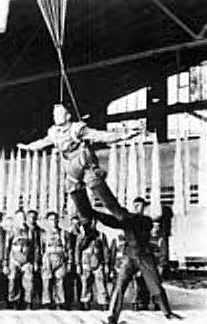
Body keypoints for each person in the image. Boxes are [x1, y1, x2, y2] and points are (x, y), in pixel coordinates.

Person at [17, 103, 139, 227]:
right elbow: (43, 142)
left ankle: (122, 215)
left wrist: (123, 136)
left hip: (85, 164)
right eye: (54, 114)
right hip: (70, 166)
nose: (55, 116)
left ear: (68, 115)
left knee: (99, 190)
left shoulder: (77, 129)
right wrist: (29, 147)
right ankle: (87, 226)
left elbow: (100, 135)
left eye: (59, 113)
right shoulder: (54, 132)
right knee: (75, 194)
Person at [92, 197, 177, 324]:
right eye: (135, 205)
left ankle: (167, 313)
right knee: (119, 286)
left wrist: (105, 214)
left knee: (155, 285)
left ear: (144, 207)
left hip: (144, 256)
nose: (137, 207)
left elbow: (123, 221)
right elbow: (112, 221)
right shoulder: (127, 219)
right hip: (130, 256)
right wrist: (96, 214)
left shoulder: (146, 220)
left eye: (139, 205)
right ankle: (112, 317)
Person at [3, 209, 34, 309]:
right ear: (16, 219)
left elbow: (35, 248)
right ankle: (13, 301)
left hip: (26, 261)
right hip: (14, 260)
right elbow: (6, 248)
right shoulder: (11, 231)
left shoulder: (29, 231)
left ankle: (27, 302)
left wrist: (35, 261)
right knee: (13, 280)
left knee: (29, 281)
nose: (22, 219)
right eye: (19, 217)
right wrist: (5, 263)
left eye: (23, 217)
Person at [76, 219, 109, 310]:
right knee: (86, 283)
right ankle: (85, 302)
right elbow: (77, 251)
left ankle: (103, 303)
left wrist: (106, 263)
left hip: (98, 261)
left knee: (101, 283)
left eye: (94, 223)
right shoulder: (81, 236)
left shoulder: (101, 235)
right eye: (90, 223)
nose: (92, 225)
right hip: (85, 262)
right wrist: (78, 264)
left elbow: (105, 250)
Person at [41, 211, 71, 309]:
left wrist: (69, 261)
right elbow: (39, 248)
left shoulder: (63, 233)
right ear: (47, 221)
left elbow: (69, 248)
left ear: (58, 220)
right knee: (47, 280)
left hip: (60, 257)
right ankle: (47, 302)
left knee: (60, 280)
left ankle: (60, 302)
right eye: (51, 220)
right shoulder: (43, 234)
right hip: (48, 258)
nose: (53, 222)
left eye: (55, 219)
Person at [26, 210, 42, 308]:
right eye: (30, 217)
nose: (32, 219)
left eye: (34, 217)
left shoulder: (38, 231)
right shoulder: (22, 229)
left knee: (32, 281)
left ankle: (30, 302)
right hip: (21, 258)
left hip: (33, 259)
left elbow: (38, 247)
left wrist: (36, 261)